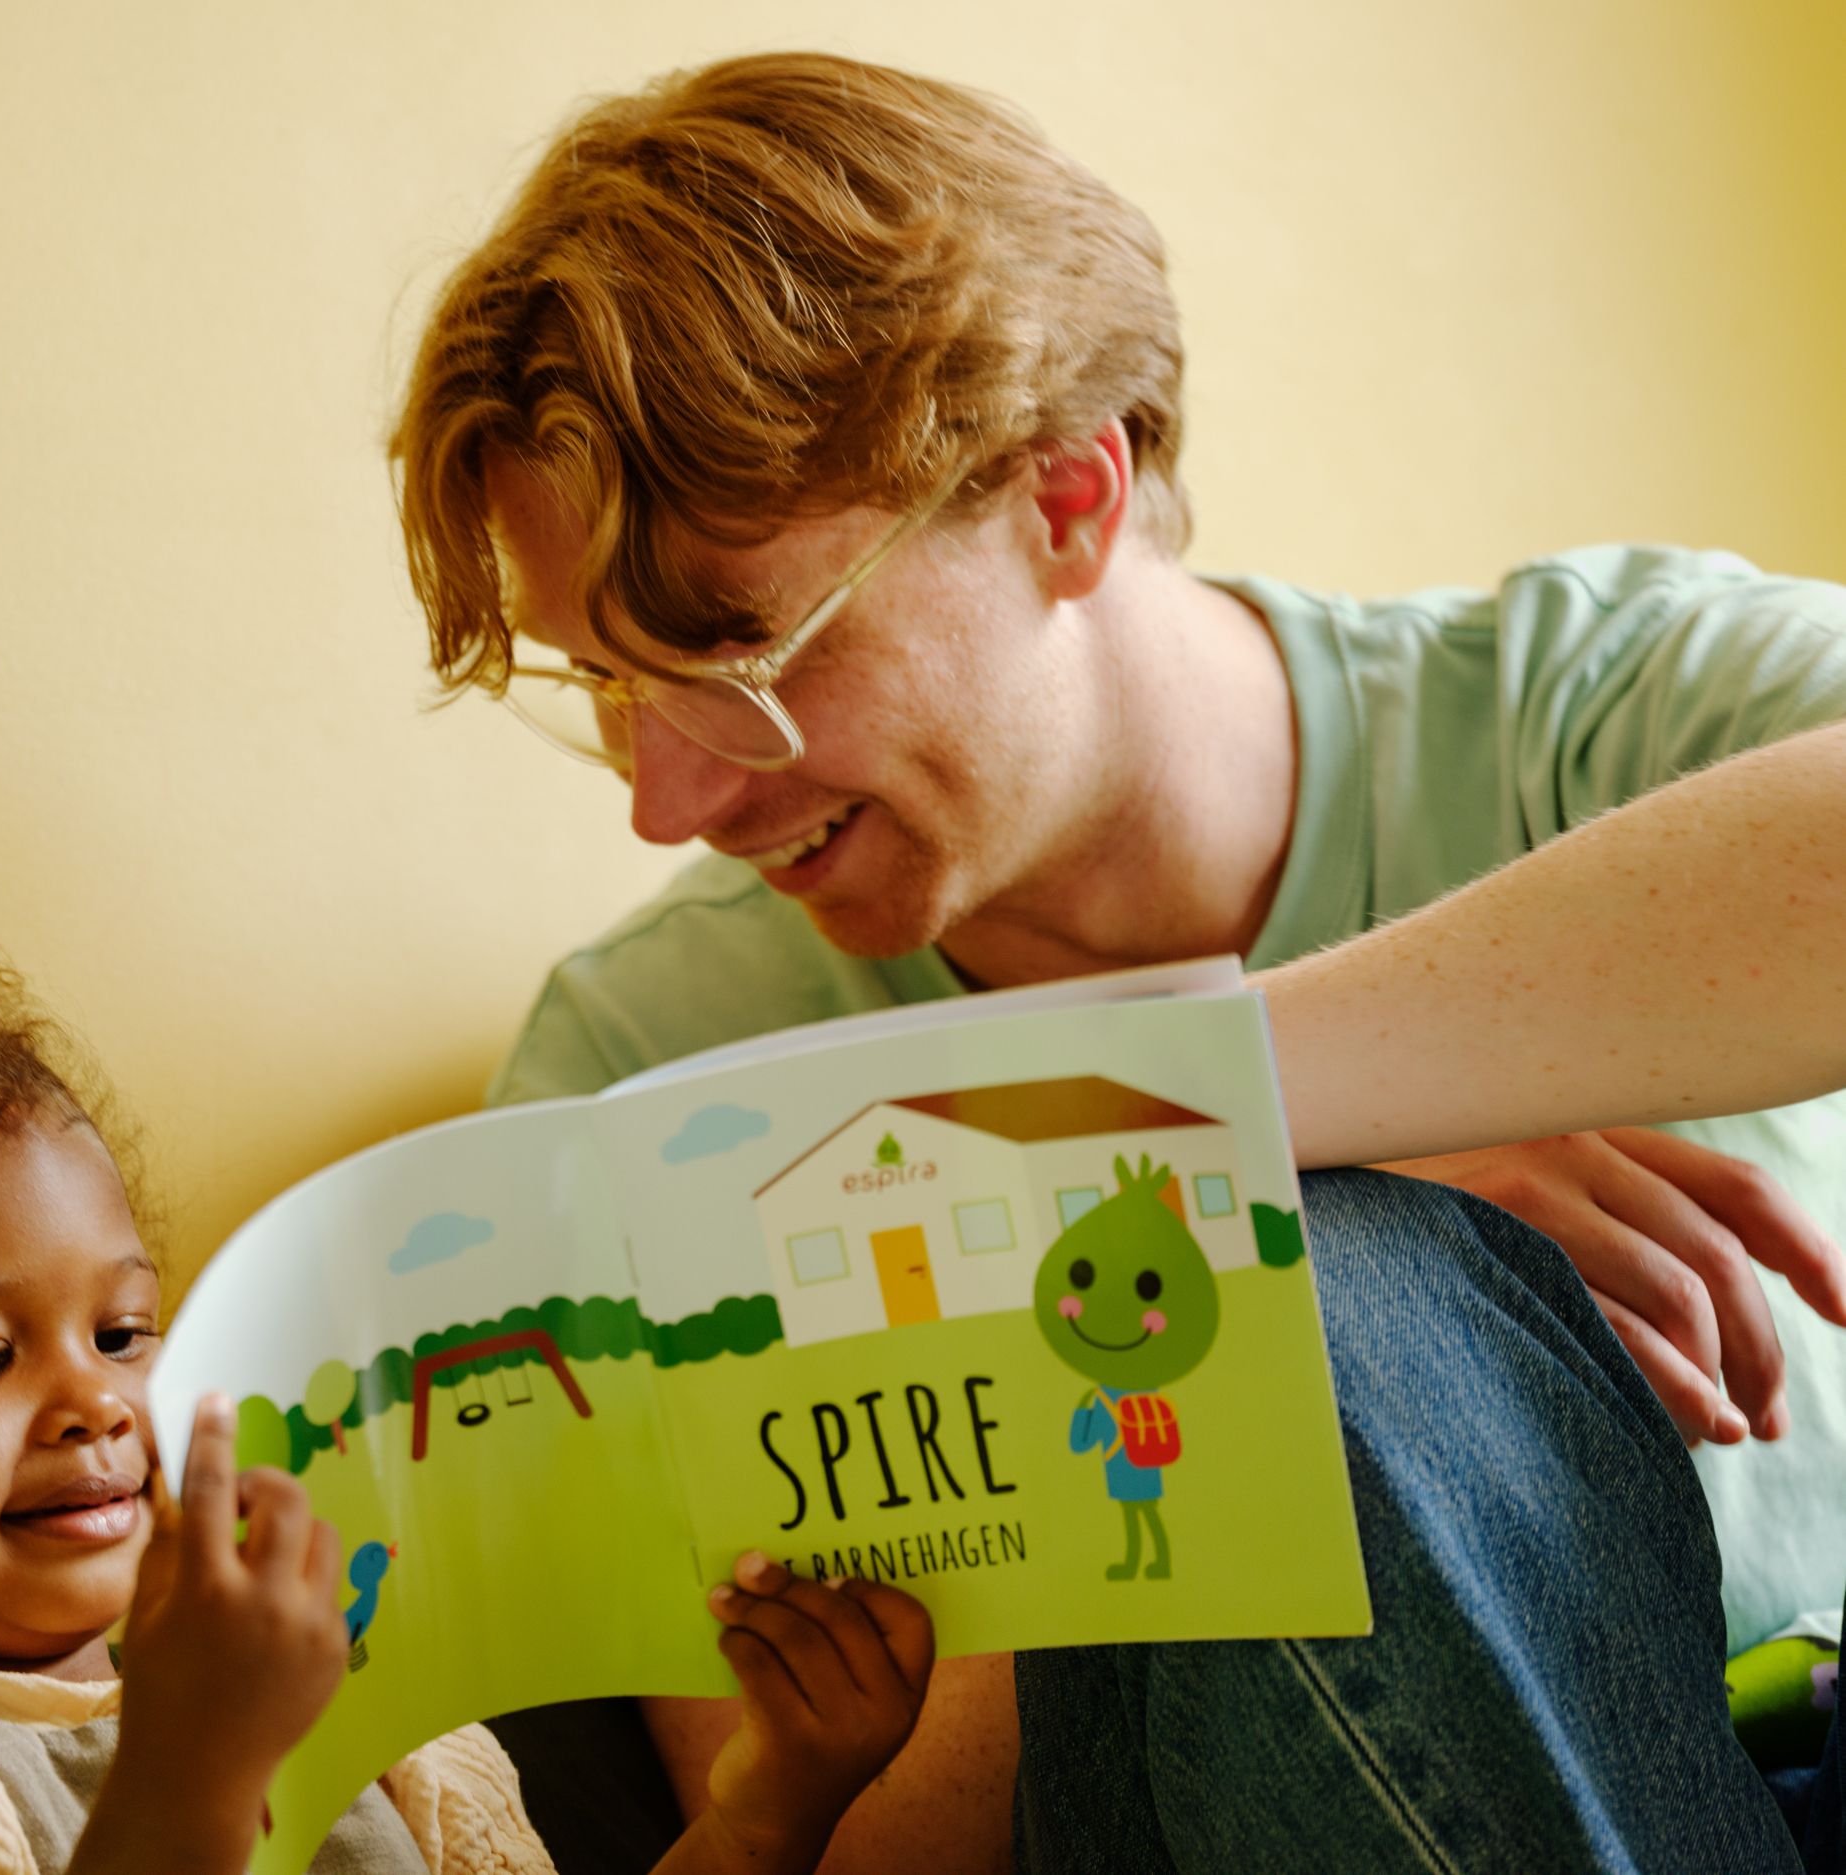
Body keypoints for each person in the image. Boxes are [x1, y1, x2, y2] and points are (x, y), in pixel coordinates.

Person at [389, 49, 1846, 1871]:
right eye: (607, 687)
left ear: (1065, 498)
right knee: (1302, 1327)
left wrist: (1223, 1117)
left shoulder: (1605, 708)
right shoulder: (642, 1068)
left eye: (738, 654)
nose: (666, 800)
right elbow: (845, 1849)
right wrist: (1207, 1273)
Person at [0, 841, 937, 1875]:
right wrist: (192, 1766)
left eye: (123, 1333)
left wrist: (771, 1806)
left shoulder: (375, 1716)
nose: (95, 1402)